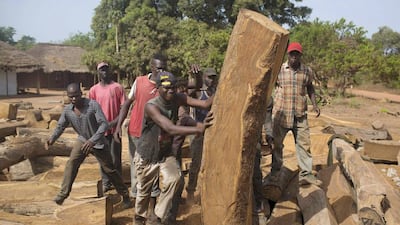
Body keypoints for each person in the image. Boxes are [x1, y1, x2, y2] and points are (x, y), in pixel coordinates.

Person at [133, 71, 213, 225]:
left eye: (173, 87)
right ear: (157, 88)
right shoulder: (151, 106)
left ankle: (156, 216)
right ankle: (139, 218)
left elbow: (205, 103)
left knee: (175, 179)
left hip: (165, 153)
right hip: (147, 155)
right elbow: (169, 128)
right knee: (143, 193)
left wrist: (221, 86)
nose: (171, 90)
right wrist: (198, 129)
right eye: (167, 87)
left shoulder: (178, 98)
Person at [47, 83, 131, 208]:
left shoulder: (92, 105)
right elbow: (60, 126)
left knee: (110, 170)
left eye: (76, 96)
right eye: (71, 97)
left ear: (81, 94)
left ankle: (125, 195)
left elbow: (104, 125)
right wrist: (52, 139)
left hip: (98, 142)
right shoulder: (68, 111)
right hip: (82, 140)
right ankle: (63, 194)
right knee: (72, 163)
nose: (74, 99)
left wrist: (93, 140)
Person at [269, 42, 322, 186]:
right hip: (281, 115)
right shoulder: (279, 70)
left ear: (300, 55)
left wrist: (315, 105)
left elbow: (310, 87)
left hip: (300, 116)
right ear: (288, 55)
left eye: (296, 54)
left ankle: (306, 174)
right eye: (291, 54)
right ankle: (275, 173)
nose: (294, 57)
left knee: (304, 145)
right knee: (277, 145)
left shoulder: (307, 71)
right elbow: (269, 87)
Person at [89, 62, 127, 193]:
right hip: (100, 131)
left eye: (106, 69)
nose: (104, 72)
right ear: (98, 73)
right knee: (103, 159)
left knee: (116, 158)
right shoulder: (93, 90)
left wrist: (114, 123)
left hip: (114, 129)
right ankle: (106, 183)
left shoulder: (117, 88)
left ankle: (119, 184)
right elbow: (91, 111)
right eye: (101, 70)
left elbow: (124, 108)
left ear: (110, 71)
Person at [186, 67, 218, 202]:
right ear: (204, 77)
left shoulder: (216, 91)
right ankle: (191, 192)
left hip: (213, 131)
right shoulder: (198, 93)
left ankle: (209, 191)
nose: (211, 80)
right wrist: (196, 77)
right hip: (198, 131)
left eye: (213, 77)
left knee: (212, 162)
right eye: (209, 77)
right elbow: (191, 92)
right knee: (196, 163)